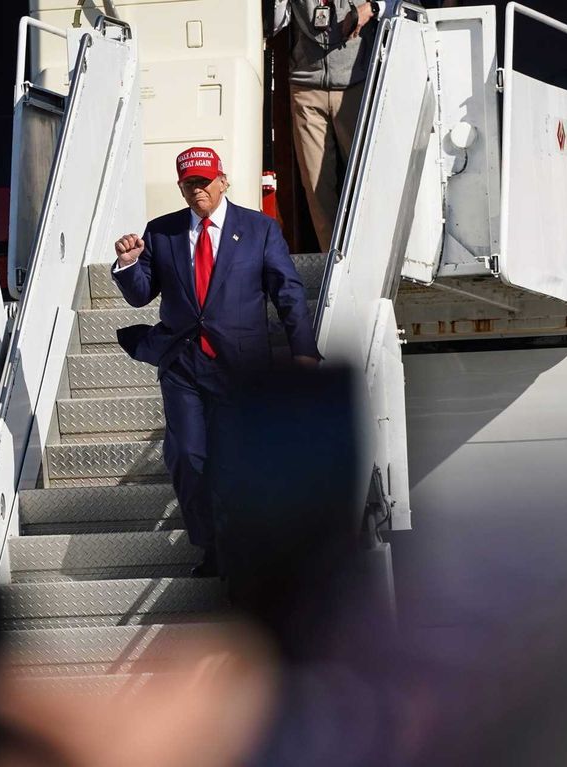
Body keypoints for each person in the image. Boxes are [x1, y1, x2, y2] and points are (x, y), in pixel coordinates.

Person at [111, 147, 320, 577]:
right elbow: (140, 295)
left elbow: (287, 291)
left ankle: (238, 546)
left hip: (240, 366)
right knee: (187, 456)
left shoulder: (259, 229)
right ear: (181, 188)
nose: (198, 189)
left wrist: (302, 349)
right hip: (183, 364)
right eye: (190, 183)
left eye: (205, 181)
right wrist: (129, 265)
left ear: (223, 181)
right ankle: (211, 545)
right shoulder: (161, 232)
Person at [272, 0, 387, 252]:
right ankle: (332, 259)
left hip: (356, 85)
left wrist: (372, 8)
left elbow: (406, 6)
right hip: (306, 88)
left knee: (366, 178)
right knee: (316, 186)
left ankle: (373, 254)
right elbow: (273, 25)